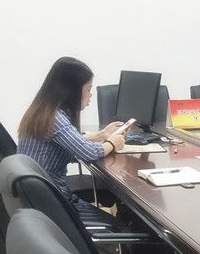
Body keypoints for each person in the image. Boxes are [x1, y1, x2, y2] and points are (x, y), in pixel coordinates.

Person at [18, 56, 126, 225]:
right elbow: (88, 153)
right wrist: (112, 143)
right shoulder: (55, 118)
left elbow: (67, 142)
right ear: (72, 90)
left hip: (40, 198)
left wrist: (101, 135)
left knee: (120, 219)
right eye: (88, 89)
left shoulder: (43, 111)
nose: (90, 95)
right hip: (54, 205)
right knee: (119, 226)